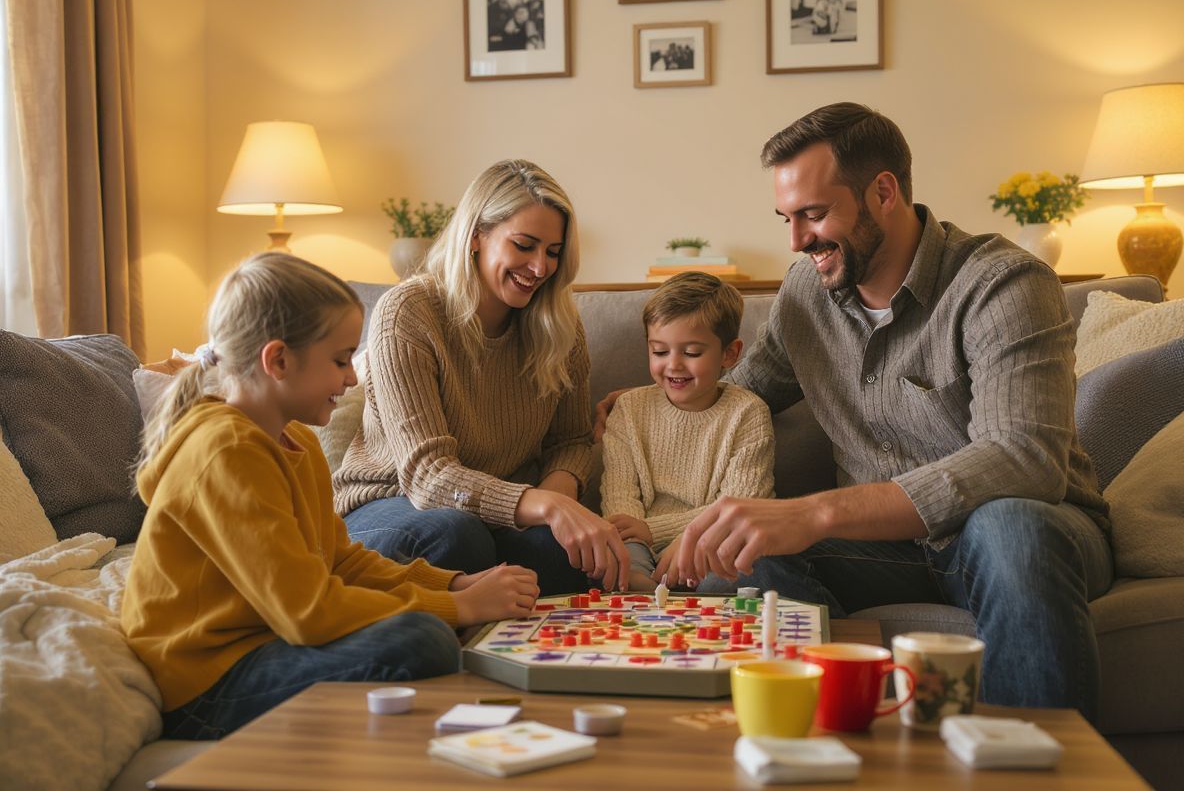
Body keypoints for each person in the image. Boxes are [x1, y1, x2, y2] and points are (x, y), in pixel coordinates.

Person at [601, 103, 1113, 719]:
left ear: (884, 192)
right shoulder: (805, 296)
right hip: (884, 551)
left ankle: (1040, 770)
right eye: (787, 218)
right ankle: (839, 733)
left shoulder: (1001, 284)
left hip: (1022, 532)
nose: (795, 241)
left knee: (1013, 527)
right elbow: (741, 392)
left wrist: (815, 512)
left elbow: (1023, 459)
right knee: (747, 554)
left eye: (814, 215)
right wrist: (650, 406)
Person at [122, 253, 539, 741]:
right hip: (205, 680)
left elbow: (339, 560)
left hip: (265, 639)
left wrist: (453, 585)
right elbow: (308, 614)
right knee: (422, 640)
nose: (352, 378)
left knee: (428, 633)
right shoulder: (226, 453)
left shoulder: (293, 442)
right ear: (277, 360)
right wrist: (459, 611)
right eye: (341, 360)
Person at [334, 160, 631, 594]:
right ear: (476, 235)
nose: (540, 267)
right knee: (457, 535)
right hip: (391, 504)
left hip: (496, 512)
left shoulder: (559, 325)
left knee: (564, 553)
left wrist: (558, 511)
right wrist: (546, 505)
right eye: (525, 245)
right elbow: (427, 475)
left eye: (552, 252)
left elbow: (569, 442)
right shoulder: (409, 312)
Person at [600, 272, 775, 591]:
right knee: (613, 554)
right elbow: (619, 495)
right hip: (637, 543)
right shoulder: (628, 409)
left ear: (730, 354)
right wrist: (637, 540)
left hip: (715, 539)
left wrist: (658, 531)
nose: (674, 365)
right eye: (660, 352)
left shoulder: (748, 413)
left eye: (691, 353)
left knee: (732, 569)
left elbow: (740, 506)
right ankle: (640, 594)